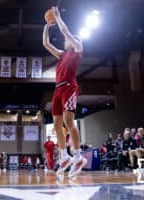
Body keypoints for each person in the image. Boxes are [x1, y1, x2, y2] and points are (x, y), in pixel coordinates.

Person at [43, 6, 86, 177]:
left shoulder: (77, 48)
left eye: (70, 38)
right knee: (56, 125)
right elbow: (45, 44)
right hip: (58, 89)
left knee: (69, 121)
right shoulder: (61, 55)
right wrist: (47, 25)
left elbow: (67, 33)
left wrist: (58, 18)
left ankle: (78, 156)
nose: (67, 39)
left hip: (69, 86)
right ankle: (64, 156)